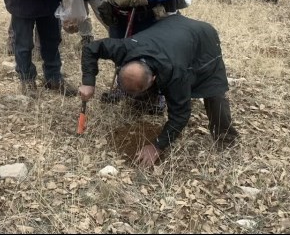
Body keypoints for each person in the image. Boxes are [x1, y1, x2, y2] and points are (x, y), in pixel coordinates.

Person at [78, 14, 239, 167]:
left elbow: (181, 114)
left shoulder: (176, 74)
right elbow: (91, 49)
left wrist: (157, 146)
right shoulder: (124, 47)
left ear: (154, 79)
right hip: (172, 26)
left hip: (203, 37)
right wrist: (88, 82)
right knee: (143, 92)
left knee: (212, 89)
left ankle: (226, 138)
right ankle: (145, 102)